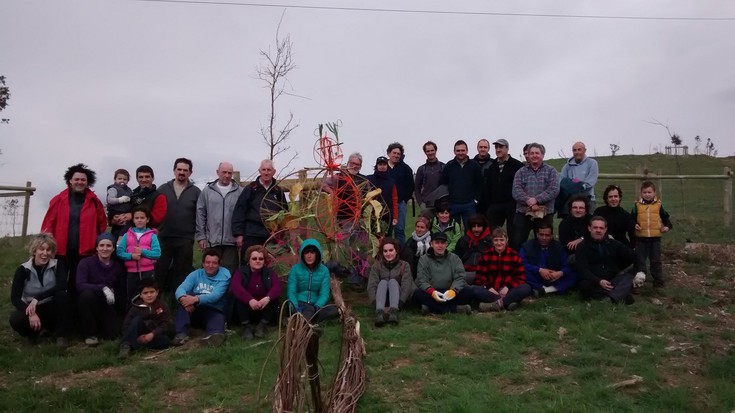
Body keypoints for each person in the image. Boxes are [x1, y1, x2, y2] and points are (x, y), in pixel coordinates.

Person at [41, 163, 107, 296]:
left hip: (85, 252)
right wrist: (47, 247)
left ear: (88, 182)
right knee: (58, 284)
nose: (80, 182)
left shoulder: (95, 201)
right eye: (76, 179)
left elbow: (102, 225)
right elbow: (49, 224)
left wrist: (99, 246)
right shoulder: (58, 200)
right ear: (70, 180)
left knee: (77, 284)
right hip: (60, 251)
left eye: (83, 180)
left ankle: (76, 313)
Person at [9, 233, 73, 347]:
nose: (45, 253)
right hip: (33, 309)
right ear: (34, 251)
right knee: (15, 319)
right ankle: (32, 335)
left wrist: (37, 298)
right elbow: (15, 298)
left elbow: (62, 286)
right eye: (41, 249)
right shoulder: (22, 270)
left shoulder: (58, 265)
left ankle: (61, 335)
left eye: (48, 250)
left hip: (52, 307)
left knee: (63, 296)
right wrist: (30, 312)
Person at [156, 158, 202, 292]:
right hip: (164, 237)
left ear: (190, 173)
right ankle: (157, 301)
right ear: (174, 171)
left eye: (185, 170)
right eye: (179, 169)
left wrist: (200, 236)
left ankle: (180, 302)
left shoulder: (196, 192)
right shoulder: (163, 189)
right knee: (159, 270)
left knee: (182, 273)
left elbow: (200, 215)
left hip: (185, 239)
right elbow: (154, 210)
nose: (182, 172)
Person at [172, 248, 231, 347]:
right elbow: (181, 288)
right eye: (207, 262)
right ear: (203, 263)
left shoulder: (225, 276)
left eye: (214, 263)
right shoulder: (196, 274)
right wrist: (183, 299)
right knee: (186, 295)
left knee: (217, 319)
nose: (210, 265)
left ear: (219, 264)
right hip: (194, 309)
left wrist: (195, 299)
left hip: (213, 309)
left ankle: (213, 337)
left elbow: (215, 296)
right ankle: (181, 335)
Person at [232, 160, 287, 264]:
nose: (266, 173)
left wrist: (281, 233)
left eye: (269, 170)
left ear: (274, 172)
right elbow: (239, 210)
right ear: (259, 171)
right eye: (264, 170)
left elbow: (284, 213)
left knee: (270, 265)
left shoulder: (278, 191)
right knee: (249, 264)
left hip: (271, 235)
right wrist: (238, 234)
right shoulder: (251, 189)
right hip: (252, 234)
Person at [76, 233, 125, 347]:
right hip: (89, 303)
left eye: (108, 246)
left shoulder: (117, 267)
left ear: (113, 248)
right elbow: (80, 285)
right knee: (86, 296)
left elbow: (121, 290)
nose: (105, 248)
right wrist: (102, 287)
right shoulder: (85, 263)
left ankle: (104, 329)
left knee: (114, 334)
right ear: (97, 247)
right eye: (101, 245)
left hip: (108, 304)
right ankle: (90, 335)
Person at [511, 143, 560, 252]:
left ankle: (543, 265)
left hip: (545, 213)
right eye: (531, 153)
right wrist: (529, 201)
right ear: (527, 155)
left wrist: (536, 200)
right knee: (517, 241)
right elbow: (516, 191)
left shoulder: (551, 171)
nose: (534, 155)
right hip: (523, 212)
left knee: (544, 241)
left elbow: (554, 189)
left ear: (542, 155)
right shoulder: (520, 172)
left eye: (537, 153)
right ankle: (518, 265)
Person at [576, 216, 636, 304]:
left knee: (631, 273)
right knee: (584, 286)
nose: (598, 230)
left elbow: (633, 257)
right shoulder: (582, 246)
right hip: (594, 280)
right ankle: (619, 295)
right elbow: (582, 269)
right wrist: (599, 281)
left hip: (613, 279)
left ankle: (609, 298)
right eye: (595, 227)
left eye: (601, 228)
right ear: (589, 228)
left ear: (605, 229)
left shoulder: (614, 244)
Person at [197, 161, 243, 274]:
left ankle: (229, 292)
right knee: (209, 270)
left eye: (229, 173)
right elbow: (200, 214)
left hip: (231, 241)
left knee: (230, 272)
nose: (227, 175)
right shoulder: (207, 191)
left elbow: (243, 215)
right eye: (224, 172)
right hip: (212, 240)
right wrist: (201, 236)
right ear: (217, 172)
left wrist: (240, 235)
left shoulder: (240, 192)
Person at [412, 231, 473, 315]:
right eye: (437, 243)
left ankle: (431, 308)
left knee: (467, 292)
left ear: (446, 244)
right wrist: (432, 291)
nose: (440, 246)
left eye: (442, 243)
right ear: (431, 244)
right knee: (417, 294)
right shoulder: (424, 259)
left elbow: (460, 277)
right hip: (432, 292)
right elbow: (422, 279)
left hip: (449, 291)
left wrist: (453, 291)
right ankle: (454, 309)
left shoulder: (454, 258)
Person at [472, 228, 532, 311]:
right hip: (491, 290)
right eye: (496, 240)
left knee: (526, 288)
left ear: (507, 240)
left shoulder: (514, 256)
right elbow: (479, 278)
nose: (499, 243)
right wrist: (489, 288)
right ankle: (508, 303)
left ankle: (497, 304)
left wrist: (507, 287)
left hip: (509, 290)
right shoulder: (485, 256)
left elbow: (521, 277)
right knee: (475, 290)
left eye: (501, 240)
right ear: (492, 241)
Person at [231, 245, 282, 340]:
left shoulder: (269, 272)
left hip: (263, 307)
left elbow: (277, 287)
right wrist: (249, 300)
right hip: (247, 308)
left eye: (261, 259)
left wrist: (267, 298)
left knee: (273, 299)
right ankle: (246, 327)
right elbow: (235, 286)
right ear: (248, 260)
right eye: (254, 258)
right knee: (239, 299)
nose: (257, 261)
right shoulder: (241, 271)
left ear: (264, 260)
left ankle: (262, 326)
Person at [631, 181, 673, 289]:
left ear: (654, 193)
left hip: (655, 238)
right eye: (644, 192)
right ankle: (639, 280)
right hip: (641, 238)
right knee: (640, 260)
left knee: (656, 260)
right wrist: (634, 225)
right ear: (641, 193)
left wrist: (667, 226)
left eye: (649, 192)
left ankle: (658, 281)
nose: (647, 194)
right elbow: (631, 219)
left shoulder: (658, 205)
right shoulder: (637, 205)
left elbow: (666, 218)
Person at [118, 278, 172, 359]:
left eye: (152, 292)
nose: (149, 295)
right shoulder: (135, 308)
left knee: (165, 341)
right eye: (145, 293)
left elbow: (166, 324)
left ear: (157, 292)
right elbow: (125, 326)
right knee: (137, 320)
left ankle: (136, 345)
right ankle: (126, 346)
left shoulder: (162, 305)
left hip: (154, 334)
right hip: (138, 334)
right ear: (140, 295)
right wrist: (138, 337)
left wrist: (152, 334)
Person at [117, 206, 161, 305]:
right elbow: (120, 252)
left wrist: (143, 252)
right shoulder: (127, 235)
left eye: (142, 218)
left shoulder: (152, 235)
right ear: (133, 220)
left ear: (147, 219)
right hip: (132, 273)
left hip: (148, 272)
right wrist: (131, 256)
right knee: (132, 296)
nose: (139, 220)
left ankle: (149, 317)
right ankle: (132, 317)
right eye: (137, 218)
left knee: (148, 296)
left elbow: (157, 254)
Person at [287, 239, 339, 323]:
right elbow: (291, 291)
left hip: (315, 303)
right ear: (302, 255)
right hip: (300, 303)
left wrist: (318, 306)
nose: (309, 256)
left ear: (317, 254)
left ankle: (301, 320)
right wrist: (295, 306)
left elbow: (324, 293)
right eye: (306, 253)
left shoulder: (324, 270)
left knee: (334, 310)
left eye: (312, 253)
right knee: (308, 310)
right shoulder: (295, 269)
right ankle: (305, 324)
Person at [367, 238, 416, 326]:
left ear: (396, 251)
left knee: (393, 281)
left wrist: (401, 302)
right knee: (383, 282)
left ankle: (393, 312)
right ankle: (379, 313)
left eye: (391, 250)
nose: (388, 253)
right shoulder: (377, 266)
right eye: (385, 251)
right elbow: (372, 285)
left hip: (399, 299)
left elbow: (407, 285)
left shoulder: (404, 265)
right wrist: (374, 302)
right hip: (381, 298)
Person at [520, 223, 576, 295]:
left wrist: (560, 273)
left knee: (574, 274)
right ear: (537, 234)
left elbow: (566, 265)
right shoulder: (526, 246)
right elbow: (522, 264)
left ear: (552, 236)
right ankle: (552, 289)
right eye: (541, 235)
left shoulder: (559, 247)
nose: (544, 238)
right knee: (523, 273)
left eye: (547, 235)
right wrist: (539, 270)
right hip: (536, 275)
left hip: (554, 276)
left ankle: (545, 290)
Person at [439, 140, 483, 230]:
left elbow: (480, 185)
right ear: (454, 152)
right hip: (453, 204)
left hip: (469, 204)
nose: (460, 153)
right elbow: (443, 184)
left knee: (471, 230)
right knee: (454, 231)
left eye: (463, 150)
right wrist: (447, 202)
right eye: (458, 151)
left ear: (467, 151)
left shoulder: (474, 165)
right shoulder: (449, 166)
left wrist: (476, 200)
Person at [484, 138, 524, 231]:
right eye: (496, 147)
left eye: (501, 147)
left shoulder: (517, 165)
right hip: (495, 204)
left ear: (507, 149)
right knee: (491, 231)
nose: (498, 150)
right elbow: (488, 186)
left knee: (513, 232)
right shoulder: (492, 166)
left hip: (512, 204)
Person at [386, 142, 415, 244]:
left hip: (400, 204)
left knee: (399, 230)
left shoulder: (406, 169)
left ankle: (401, 253)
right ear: (389, 153)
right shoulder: (382, 166)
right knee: (386, 231)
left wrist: (404, 199)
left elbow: (411, 185)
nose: (396, 155)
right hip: (385, 205)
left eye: (398, 154)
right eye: (394, 153)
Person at [453, 214, 493, 284]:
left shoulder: (490, 241)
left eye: (479, 226)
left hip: (485, 273)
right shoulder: (464, 240)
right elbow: (457, 258)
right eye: (474, 227)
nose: (476, 229)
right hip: (466, 272)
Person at [561, 141, 599, 211]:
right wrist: (578, 185)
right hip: (571, 200)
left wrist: (576, 185)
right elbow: (562, 182)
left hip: (588, 198)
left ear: (585, 150)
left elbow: (590, 182)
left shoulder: (592, 163)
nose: (577, 152)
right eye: (575, 150)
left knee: (589, 220)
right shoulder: (567, 166)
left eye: (579, 149)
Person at [366, 156, 399, 235]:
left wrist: (395, 217)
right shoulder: (369, 179)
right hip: (372, 215)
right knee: (372, 237)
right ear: (376, 166)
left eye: (384, 165)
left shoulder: (391, 182)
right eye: (380, 164)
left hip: (387, 215)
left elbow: (394, 199)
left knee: (387, 237)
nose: (382, 167)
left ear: (387, 166)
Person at [413, 141, 445, 214]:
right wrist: (421, 204)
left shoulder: (443, 167)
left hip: (442, 205)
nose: (430, 153)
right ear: (425, 152)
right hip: (427, 205)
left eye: (432, 150)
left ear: (435, 150)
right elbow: (417, 188)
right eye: (428, 151)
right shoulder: (421, 169)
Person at [558, 195, 592, 260]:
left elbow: (597, 236)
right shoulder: (564, 223)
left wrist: (581, 239)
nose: (578, 210)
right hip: (571, 253)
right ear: (570, 210)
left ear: (586, 210)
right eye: (575, 207)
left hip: (590, 252)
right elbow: (565, 243)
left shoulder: (592, 220)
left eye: (581, 208)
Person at [106, 168, 133, 239]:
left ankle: (121, 239)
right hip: (115, 211)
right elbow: (110, 200)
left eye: (125, 179)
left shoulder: (129, 190)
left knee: (126, 226)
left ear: (127, 181)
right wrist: (120, 200)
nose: (122, 180)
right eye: (119, 178)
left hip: (125, 212)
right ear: (115, 179)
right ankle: (117, 241)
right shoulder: (113, 189)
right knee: (117, 227)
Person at [474, 138, 493, 214]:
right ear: (477, 148)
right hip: (473, 201)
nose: (483, 149)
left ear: (488, 149)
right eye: (481, 147)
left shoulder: (493, 164)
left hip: (489, 202)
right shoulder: (471, 163)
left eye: (485, 147)